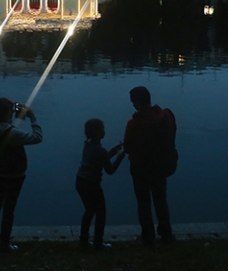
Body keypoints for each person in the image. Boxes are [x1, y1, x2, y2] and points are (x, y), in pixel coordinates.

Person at [0, 97, 43, 252]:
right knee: (9, 210)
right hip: (14, 176)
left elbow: (3, 126)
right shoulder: (12, 133)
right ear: (6, 114)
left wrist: (13, 115)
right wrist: (32, 117)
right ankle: (4, 243)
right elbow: (37, 137)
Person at [123, 86, 178, 246]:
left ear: (137, 102)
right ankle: (166, 234)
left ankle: (147, 236)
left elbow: (127, 148)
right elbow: (172, 134)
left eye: (133, 102)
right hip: (161, 165)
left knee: (143, 202)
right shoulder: (166, 115)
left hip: (141, 168)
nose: (133, 105)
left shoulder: (134, 123)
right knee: (161, 199)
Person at [75, 118, 125, 250]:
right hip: (92, 185)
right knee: (101, 212)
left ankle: (84, 240)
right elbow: (110, 170)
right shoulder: (100, 150)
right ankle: (98, 243)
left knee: (89, 211)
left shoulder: (88, 145)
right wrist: (120, 156)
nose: (104, 131)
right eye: (102, 129)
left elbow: (101, 159)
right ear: (98, 132)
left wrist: (114, 150)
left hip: (80, 181)